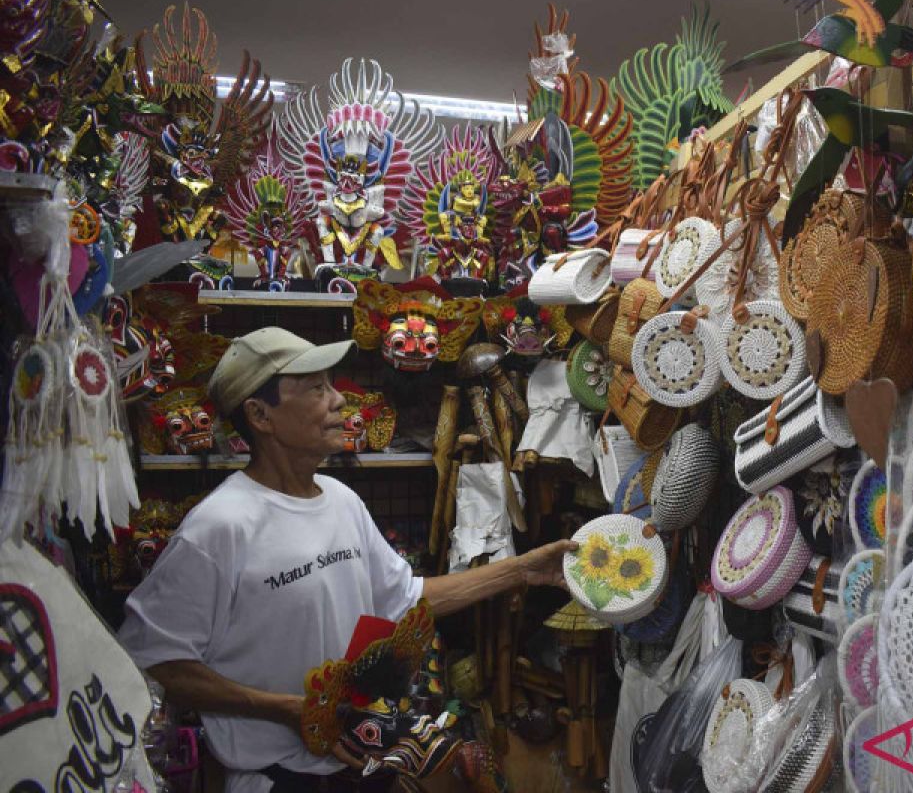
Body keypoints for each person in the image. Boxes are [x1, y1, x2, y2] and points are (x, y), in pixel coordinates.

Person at [119, 327, 576, 793]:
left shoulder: (341, 500)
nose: (340, 401)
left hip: (363, 765)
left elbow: (407, 598)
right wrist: (280, 708)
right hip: (280, 779)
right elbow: (155, 661)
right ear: (260, 415)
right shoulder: (219, 528)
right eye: (317, 389)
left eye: (332, 386)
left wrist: (523, 569)